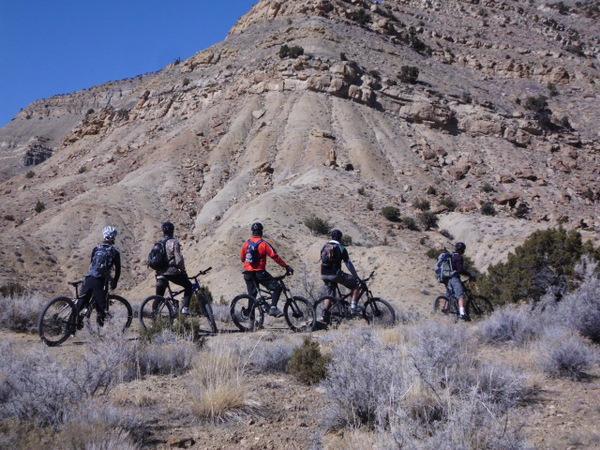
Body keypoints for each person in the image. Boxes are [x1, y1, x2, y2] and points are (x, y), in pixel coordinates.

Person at [240, 222, 293, 317]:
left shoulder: (246, 244)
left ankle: (252, 322)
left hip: (247, 273)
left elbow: (242, 258)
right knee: (277, 287)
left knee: (252, 296)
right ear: (261, 232)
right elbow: (275, 256)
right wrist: (286, 266)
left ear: (252, 232)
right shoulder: (264, 244)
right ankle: (273, 308)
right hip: (260, 272)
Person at [78, 226, 121, 326]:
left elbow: (92, 265)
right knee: (102, 307)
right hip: (100, 281)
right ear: (113, 238)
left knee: (80, 304)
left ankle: (70, 328)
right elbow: (118, 270)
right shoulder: (114, 252)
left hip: (89, 278)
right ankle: (102, 329)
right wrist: (114, 282)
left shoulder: (96, 248)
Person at [320, 229, 361, 322]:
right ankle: (353, 308)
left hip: (323, 274)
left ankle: (324, 314)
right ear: (340, 238)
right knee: (356, 285)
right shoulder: (341, 247)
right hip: (335, 274)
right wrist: (356, 276)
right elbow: (348, 264)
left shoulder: (324, 246)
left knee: (330, 295)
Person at [155, 221, 194, 315]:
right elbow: (179, 260)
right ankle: (185, 308)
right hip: (171, 272)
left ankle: (154, 315)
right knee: (189, 286)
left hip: (159, 273)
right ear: (172, 231)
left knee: (158, 297)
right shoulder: (174, 242)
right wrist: (183, 271)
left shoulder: (158, 243)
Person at [447, 241, 474, 321]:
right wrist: (469, 274)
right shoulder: (459, 257)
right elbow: (460, 270)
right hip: (454, 278)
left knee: (448, 296)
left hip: (448, 279)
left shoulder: (451, 256)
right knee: (460, 295)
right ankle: (462, 314)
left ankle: (444, 311)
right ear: (462, 250)